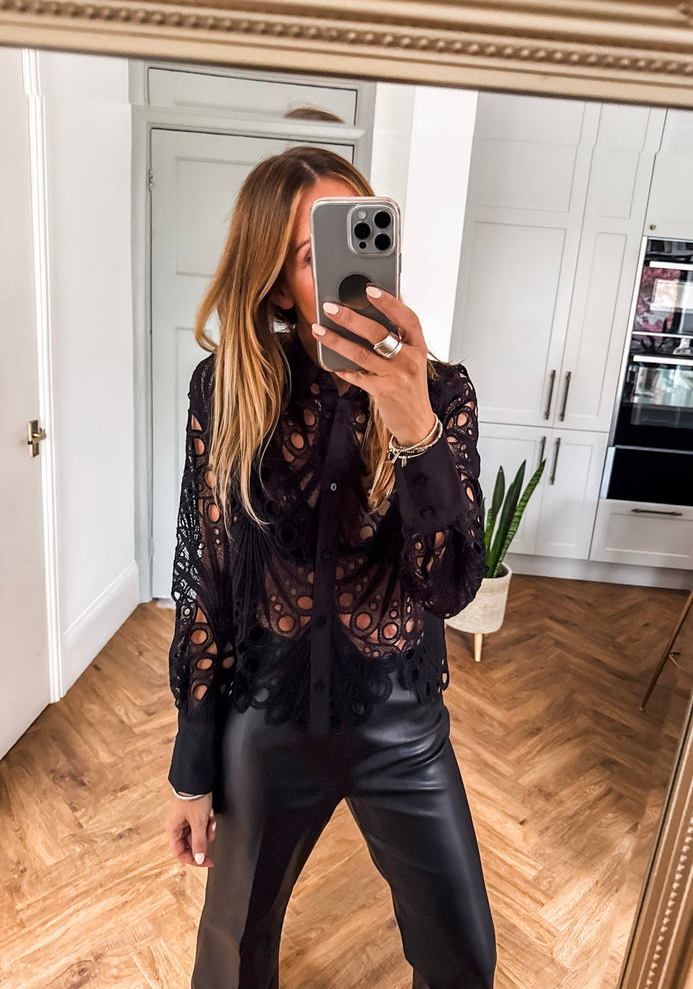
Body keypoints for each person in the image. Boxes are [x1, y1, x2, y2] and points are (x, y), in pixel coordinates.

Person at [163, 145, 496, 989]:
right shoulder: (228, 390)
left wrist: (414, 425)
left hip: (403, 729)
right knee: (231, 959)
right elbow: (208, 589)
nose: (351, 278)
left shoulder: (442, 393)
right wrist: (191, 772)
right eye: (316, 255)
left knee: (464, 959)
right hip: (267, 723)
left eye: (362, 240)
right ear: (280, 286)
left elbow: (452, 587)